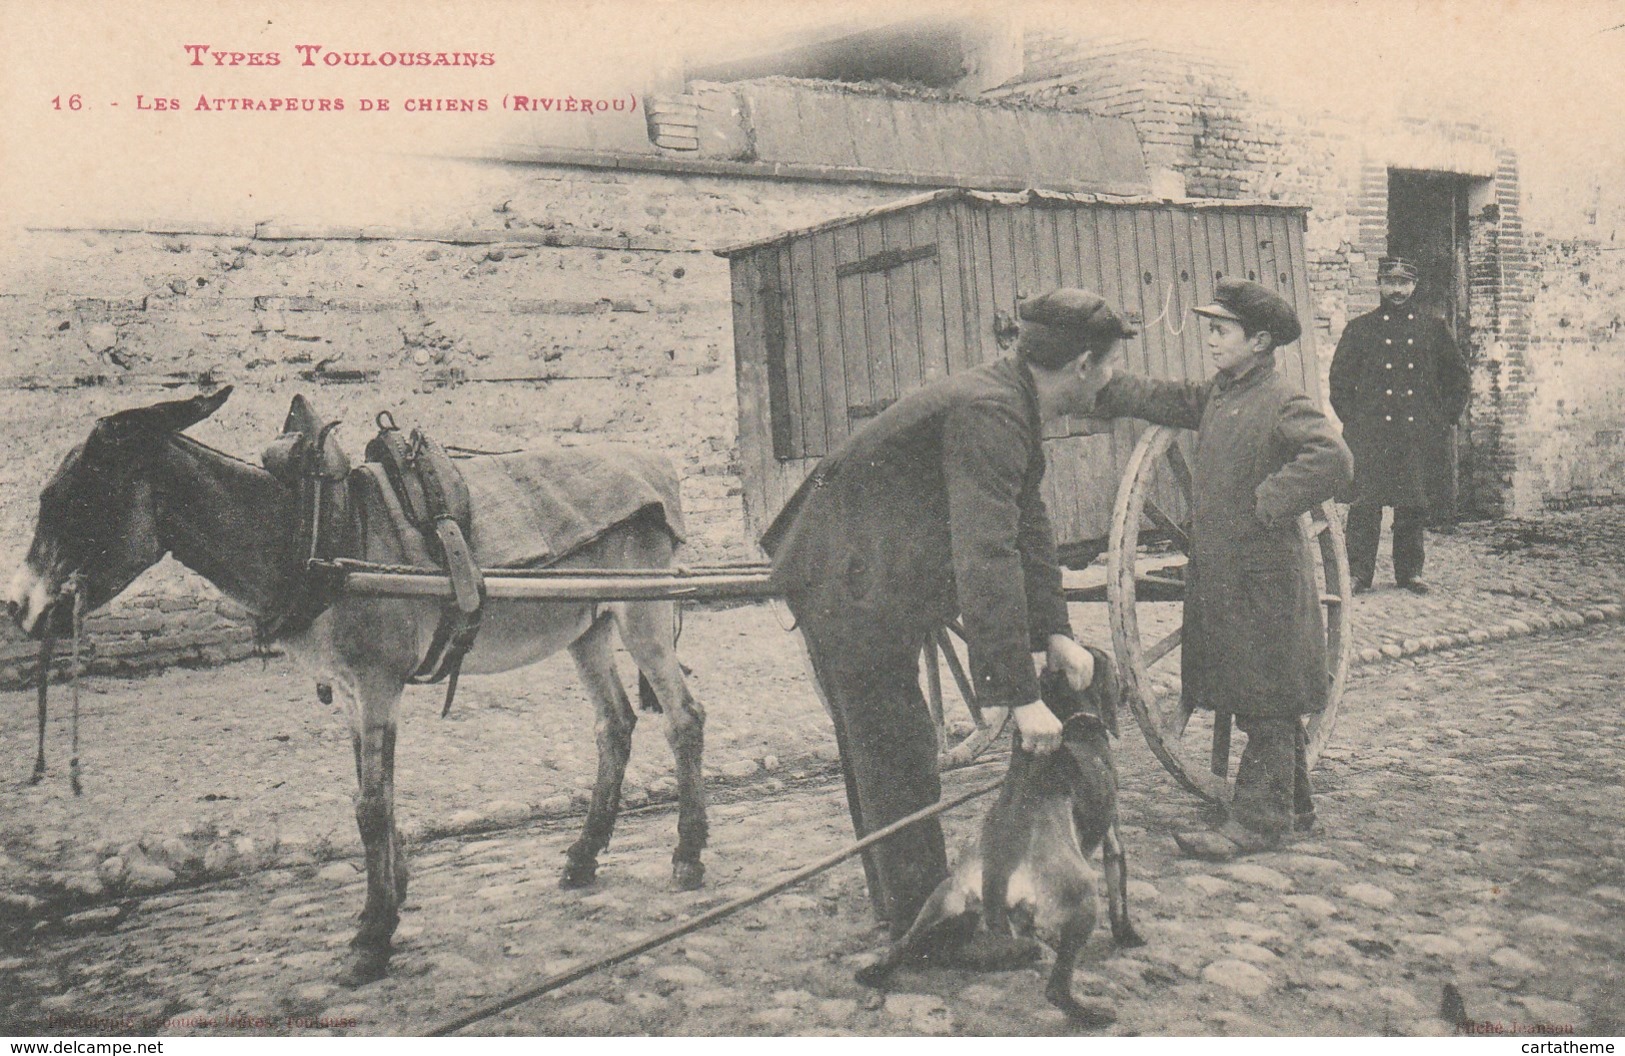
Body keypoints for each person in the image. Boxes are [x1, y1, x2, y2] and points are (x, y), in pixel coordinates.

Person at [760, 288, 1131, 948]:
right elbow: (984, 553)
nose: (1108, 380)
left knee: (888, 744)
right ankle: (925, 934)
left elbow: (1027, 522)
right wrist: (1019, 696)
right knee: (895, 745)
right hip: (848, 573)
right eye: (1107, 367)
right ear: (1081, 365)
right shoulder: (991, 410)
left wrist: (1055, 631)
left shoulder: (1009, 399)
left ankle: (904, 906)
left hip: (872, 567)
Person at [1089, 279, 1354, 857]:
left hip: (1267, 576)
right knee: (1258, 684)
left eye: (1220, 330)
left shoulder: (1282, 400)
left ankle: (1258, 823)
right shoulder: (1219, 395)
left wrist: (1270, 499)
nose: (1209, 340)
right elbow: (1166, 397)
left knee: (1268, 692)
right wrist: (1105, 384)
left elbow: (1334, 458)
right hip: (1229, 577)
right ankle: (1295, 804)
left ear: (1259, 341)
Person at [1329, 256, 1472, 594]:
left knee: (1413, 503)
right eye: (1389, 282)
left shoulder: (1432, 328)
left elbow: (1458, 379)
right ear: (1379, 284)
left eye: (1403, 283)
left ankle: (1410, 573)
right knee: (1365, 505)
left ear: (1414, 285)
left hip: (1414, 433)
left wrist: (1443, 419)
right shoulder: (1360, 329)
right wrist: (1356, 421)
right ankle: (1358, 574)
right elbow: (1339, 382)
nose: (1396, 290)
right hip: (1371, 436)